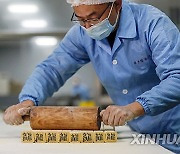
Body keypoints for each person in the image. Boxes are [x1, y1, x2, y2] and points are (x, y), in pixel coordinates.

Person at [3, 0, 180, 152]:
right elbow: (52, 69)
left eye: (94, 18)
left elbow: (177, 77)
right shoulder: (81, 34)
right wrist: (28, 100)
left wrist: (134, 108)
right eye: (80, 19)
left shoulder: (152, 23)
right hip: (138, 134)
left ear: (116, 4)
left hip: (174, 131)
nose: (88, 26)